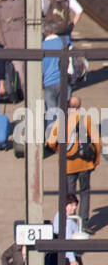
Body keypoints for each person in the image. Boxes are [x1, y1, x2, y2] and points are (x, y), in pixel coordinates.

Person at [46, 95, 100, 227]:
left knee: (70, 194)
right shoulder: (86, 119)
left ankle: (70, 220)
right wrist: (95, 161)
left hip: (68, 164)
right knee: (85, 192)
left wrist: (59, 150)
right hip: (85, 163)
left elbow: (51, 141)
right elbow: (97, 141)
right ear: (80, 106)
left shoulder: (62, 121)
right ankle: (84, 222)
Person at [0, 0, 24, 100]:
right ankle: (21, 90)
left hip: (4, 40)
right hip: (19, 41)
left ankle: (6, 89)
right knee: (20, 68)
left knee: (4, 67)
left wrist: (2, 42)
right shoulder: (21, 4)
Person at [41, 16, 70, 115]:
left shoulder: (42, 46)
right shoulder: (65, 42)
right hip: (65, 81)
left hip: (48, 82)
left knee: (51, 114)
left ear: (44, 31)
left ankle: (51, 130)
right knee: (64, 113)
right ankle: (64, 130)